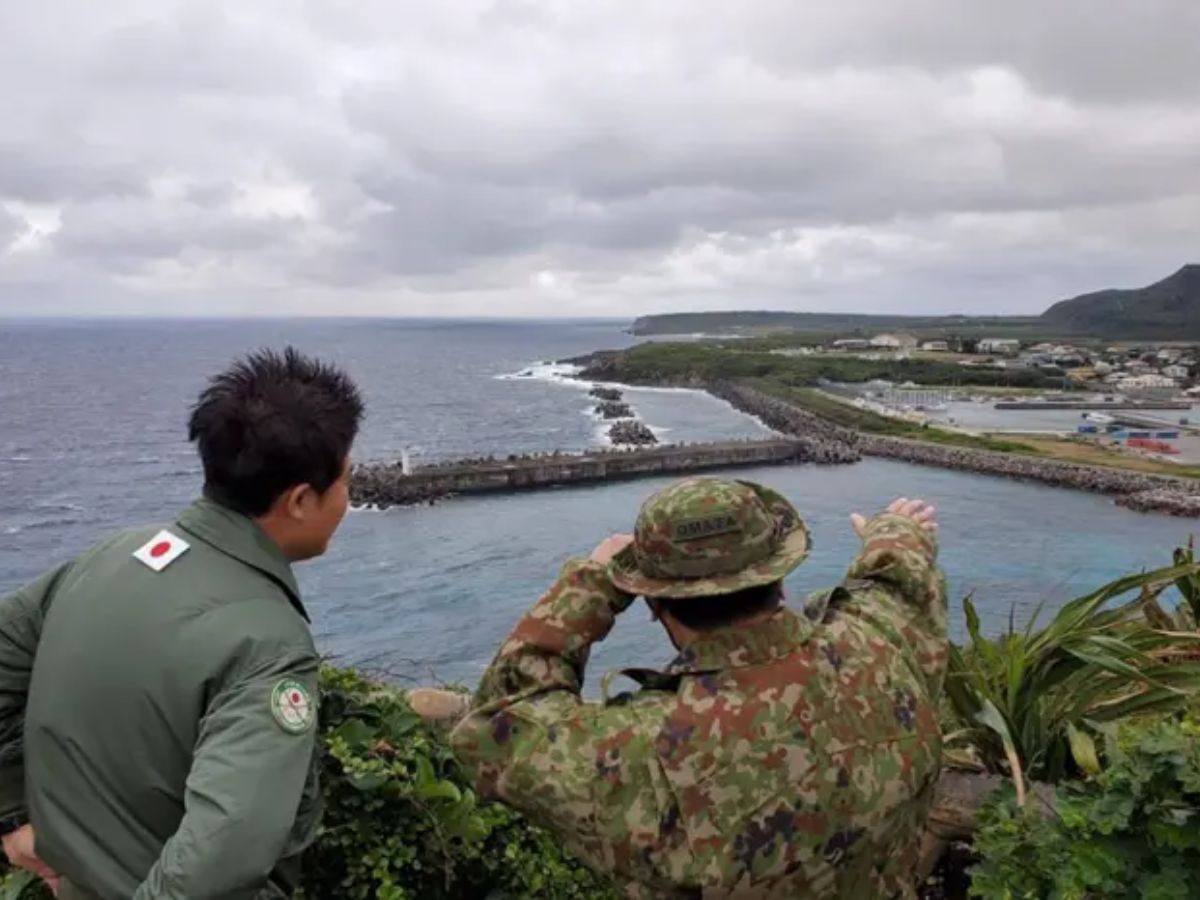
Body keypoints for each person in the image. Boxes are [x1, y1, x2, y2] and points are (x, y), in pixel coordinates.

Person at [450, 477, 946, 899]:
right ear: (779, 578)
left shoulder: (640, 752)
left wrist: (593, 583)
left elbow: (496, 726)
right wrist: (896, 532)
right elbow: (896, 584)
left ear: (653, 605)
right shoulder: (881, 645)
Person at [0, 347, 364, 899]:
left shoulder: (111, 554)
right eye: (344, 481)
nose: (349, 497)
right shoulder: (267, 644)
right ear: (298, 500)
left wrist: (17, 818)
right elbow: (224, 853)